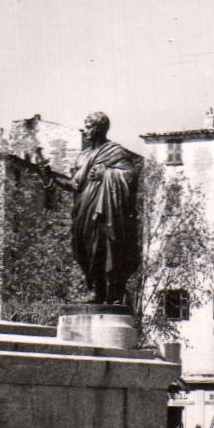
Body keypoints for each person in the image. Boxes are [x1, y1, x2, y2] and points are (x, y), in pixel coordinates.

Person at [60, 111, 142, 306]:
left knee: (106, 250)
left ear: (100, 129)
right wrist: (49, 178)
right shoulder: (83, 156)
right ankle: (98, 293)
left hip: (107, 213)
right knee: (86, 250)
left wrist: (107, 173)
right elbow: (74, 185)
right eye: (86, 126)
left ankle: (112, 294)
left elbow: (130, 176)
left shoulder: (116, 152)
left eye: (89, 127)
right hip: (84, 211)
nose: (85, 130)